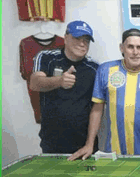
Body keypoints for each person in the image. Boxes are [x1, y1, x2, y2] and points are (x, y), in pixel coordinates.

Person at [70, 29, 140, 160]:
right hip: (114, 152)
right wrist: (89, 144)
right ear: (121, 48)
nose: (135, 52)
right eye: (130, 47)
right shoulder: (106, 70)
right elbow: (97, 109)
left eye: (139, 47)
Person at [30, 20, 99, 157]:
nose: (82, 43)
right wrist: (59, 81)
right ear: (66, 38)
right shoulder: (46, 57)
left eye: (86, 40)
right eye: (77, 38)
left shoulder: (95, 68)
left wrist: (89, 144)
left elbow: (97, 108)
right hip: (51, 141)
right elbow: (34, 83)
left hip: (84, 144)